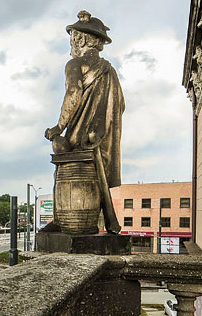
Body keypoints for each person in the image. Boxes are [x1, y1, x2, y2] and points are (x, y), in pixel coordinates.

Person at [45, 10, 124, 233]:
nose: (71, 42)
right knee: (97, 180)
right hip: (100, 137)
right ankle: (101, 221)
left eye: (73, 36)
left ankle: (60, 219)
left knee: (61, 165)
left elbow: (73, 93)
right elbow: (120, 105)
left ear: (80, 38)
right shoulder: (110, 71)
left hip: (78, 137)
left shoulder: (75, 65)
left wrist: (59, 126)